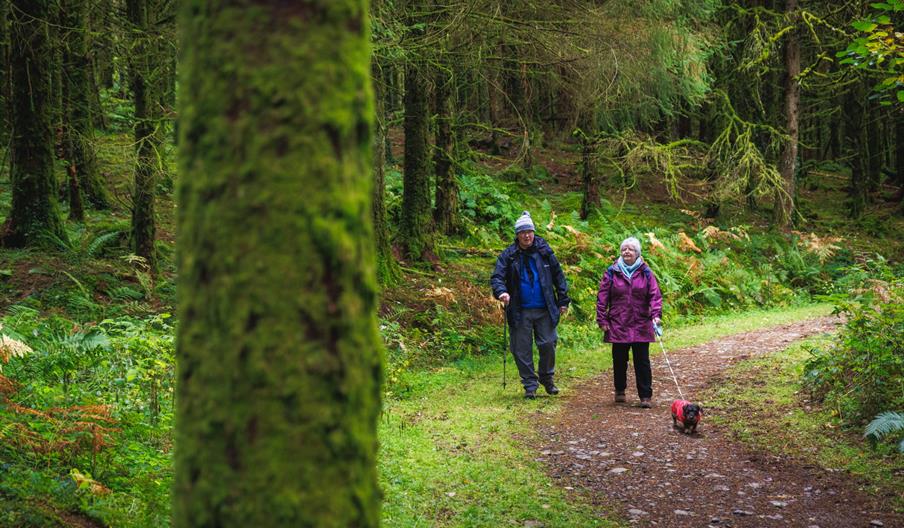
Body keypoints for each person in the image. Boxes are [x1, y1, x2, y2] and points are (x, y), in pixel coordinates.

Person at [491, 211, 570, 399]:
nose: (527, 235)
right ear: (517, 235)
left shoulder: (545, 252)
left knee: (548, 343)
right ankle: (530, 385)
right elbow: (497, 277)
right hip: (520, 309)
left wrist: (563, 299)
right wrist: (501, 292)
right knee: (521, 348)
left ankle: (547, 378)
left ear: (534, 232)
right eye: (523, 232)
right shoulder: (509, 255)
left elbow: (559, 276)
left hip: (545, 308)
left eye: (530, 231)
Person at [596, 237, 662, 408]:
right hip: (618, 322)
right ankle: (620, 390)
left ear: (637, 253)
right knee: (619, 359)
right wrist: (601, 318)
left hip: (641, 322)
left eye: (630, 249)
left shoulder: (646, 272)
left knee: (642, 361)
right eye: (624, 249)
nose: (626, 252)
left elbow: (655, 295)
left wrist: (656, 315)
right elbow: (602, 297)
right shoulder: (612, 272)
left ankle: (645, 396)